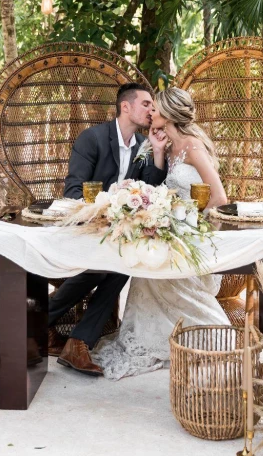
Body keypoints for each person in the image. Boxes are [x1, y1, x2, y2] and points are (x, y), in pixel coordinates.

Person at [92, 87, 230, 380]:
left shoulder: (192, 146)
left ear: (167, 113)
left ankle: (209, 336)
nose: (150, 113)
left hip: (190, 233)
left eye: (154, 108)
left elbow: (218, 198)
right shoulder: (162, 145)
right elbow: (150, 187)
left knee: (157, 263)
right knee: (145, 262)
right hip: (168, 228)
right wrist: (156, 152)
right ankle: (155, 337)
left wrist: (195, 230)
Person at [49, 83, 168, 376]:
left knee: (124, 262)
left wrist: (159, 150)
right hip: (85, 227)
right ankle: (61, 333)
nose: (152, 110)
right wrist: (113, 194)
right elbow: (73, 190)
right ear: (125, 107)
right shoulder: (92, 139)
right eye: (146, 104)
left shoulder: (143, 144)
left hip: (118, 231)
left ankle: (71, 338)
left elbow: (151, 188)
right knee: (111, 266)